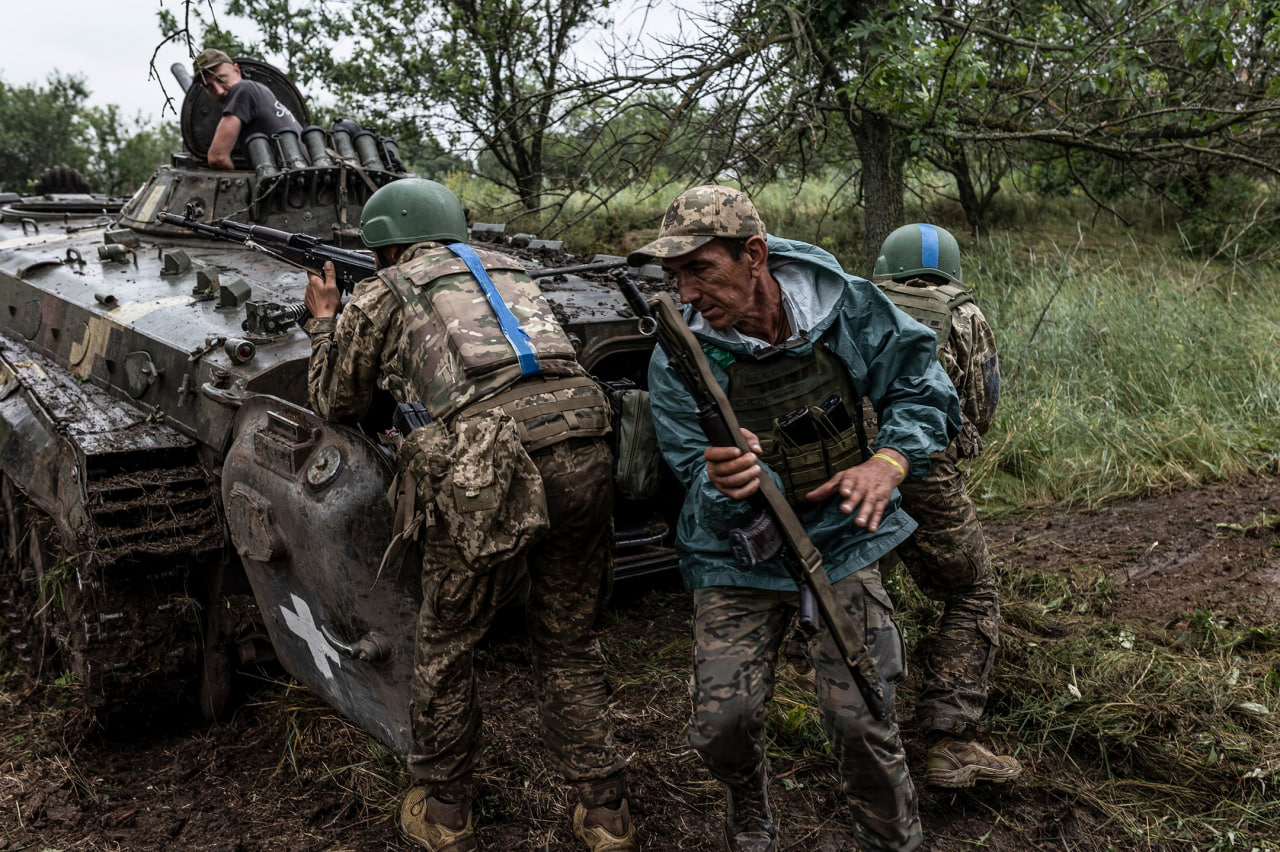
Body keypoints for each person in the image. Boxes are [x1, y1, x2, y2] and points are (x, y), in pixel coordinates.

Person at [303, 177, 636, 852]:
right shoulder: (514, 269)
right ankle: (606, 814)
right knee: (569, 639)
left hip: (492, 466)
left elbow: (335, 401)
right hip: (587, 440)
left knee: (449, 642)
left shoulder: (384, 290)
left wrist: (322, 321)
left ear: (383, 248)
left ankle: (446, 811)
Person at [631, 184, 961, 852]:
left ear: (754, 255)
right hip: (734, 552)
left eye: (701, 270)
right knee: (722, 722)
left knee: (861, 714)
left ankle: (892, 839)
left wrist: (889, 463)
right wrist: (723, 478)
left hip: (837, 539)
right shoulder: (678, 355)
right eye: (673, 277)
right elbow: (692, 467)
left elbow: (921, 388)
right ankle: (747, 802)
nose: (686, 293)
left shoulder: (845, 309)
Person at [869, 223, 1022, 789]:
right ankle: (951, 739)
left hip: (852, 471)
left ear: (886, 263)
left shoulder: (858, 303)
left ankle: (840, 710)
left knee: (859, 582)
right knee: (971, 590)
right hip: (924, 468)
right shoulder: (965, 316)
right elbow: (980, 403)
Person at [192, 47, 305, 170]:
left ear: (236, 71)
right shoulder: (261, 90)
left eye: (221, 79)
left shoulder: (243, 89)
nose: (219, 91)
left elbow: (217, 158)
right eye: (209, 87)